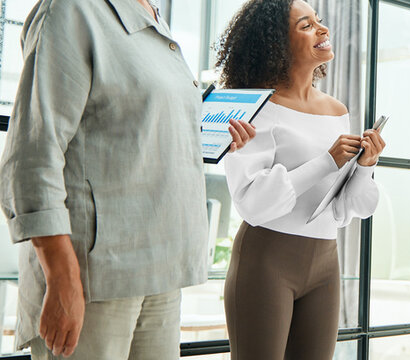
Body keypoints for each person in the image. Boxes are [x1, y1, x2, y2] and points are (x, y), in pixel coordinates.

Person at [0, 0, 255, 359]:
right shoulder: (72, 10)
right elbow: (32, 151)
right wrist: (61, 276)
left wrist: (211, 136)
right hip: (95, 277)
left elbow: (136, 132)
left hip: (162, 272)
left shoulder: (153, 17)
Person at [216, 1, 384, 359]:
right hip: (266, 261)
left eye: (320, 22)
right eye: (306, 26)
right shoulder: (253, 106)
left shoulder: (337, 111)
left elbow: (341, 208)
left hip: (326, 259)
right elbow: (252, 203)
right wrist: (327, 161)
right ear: (276, 42)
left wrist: (366, 165)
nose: (322, 30)